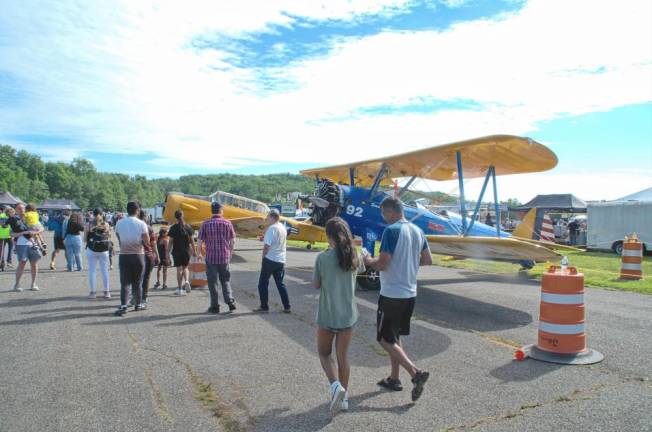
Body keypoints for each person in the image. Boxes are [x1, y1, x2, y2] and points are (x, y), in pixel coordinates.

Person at [363, 196, 432, 402]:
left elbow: (382, 264)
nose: (384, 218)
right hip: (410, 293)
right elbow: (428, 259)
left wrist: (368, 260)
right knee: (395, 337)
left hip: (392, 293)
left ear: (391, 211)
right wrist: (408, 262)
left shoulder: (391, 231)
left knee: (384, 338)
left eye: (384, 214)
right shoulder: (418, 231)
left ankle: (415, 373)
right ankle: (394, 378)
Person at [313, 217, 365, 414]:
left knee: (324, 353)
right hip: (348, 315)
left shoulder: (322, 258)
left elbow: (316, 285)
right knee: (343, 356)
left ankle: (335, 386)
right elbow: (360, 269)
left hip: (327, 314)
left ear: (329, 236)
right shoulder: (355, 256)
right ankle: (344, 398)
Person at [197, 202, 236, 314]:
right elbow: (232, 241)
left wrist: (199, 253)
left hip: (211, 258)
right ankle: (230, 301)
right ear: (221, 211)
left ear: (211, 211)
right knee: (225, 280)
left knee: (212, 282)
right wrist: (230, 252)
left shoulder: (205, 224)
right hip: (224, 257)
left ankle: (215, 306)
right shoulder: (228, 223)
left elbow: (199, 241)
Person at [114, 201, 150, 316]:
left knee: (124, 282)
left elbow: (119, 238)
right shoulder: (141, 223)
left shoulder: (119, 223)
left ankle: (124, 305)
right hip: (138, 255)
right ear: (137, 210)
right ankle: (138, 304)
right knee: (138, 281)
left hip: (124, 255)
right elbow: (147, 242)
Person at [254, 209, 291, 313]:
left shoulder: (272, 228)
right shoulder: (283, 228)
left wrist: (263, 257)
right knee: (280, 284)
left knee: (262, 283)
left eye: (268, 217)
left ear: (272, 218)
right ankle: (287, 306)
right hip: (280, 260)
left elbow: (267, 246)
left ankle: (264, 306)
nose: (266, 219)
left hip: (270, 259)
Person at [7, 203, 43, 291]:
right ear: (16, 210)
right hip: (21, 244)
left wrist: (35, 232)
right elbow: (11, 234)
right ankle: (17, 284)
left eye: (23, 208)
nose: (21, 210)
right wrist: (22, 233)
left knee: (34, 264)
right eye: (19, 208)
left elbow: (41, 228)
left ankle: (33, 284)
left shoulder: (31, 217)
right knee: (22, 264)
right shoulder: (14, 219)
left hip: (33, 244)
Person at [85, 208, 112, 299]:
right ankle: (107, 292)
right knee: (105, 271)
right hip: (104, 249)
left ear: (93, 214)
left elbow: (85, 239)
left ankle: (93, 293)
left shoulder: (88, 225)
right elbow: (109, 237)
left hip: (92, 249)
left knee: (92, 271)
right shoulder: (106, 224)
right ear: (102, 214)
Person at [168, 210, 196, 296]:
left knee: (179, 269)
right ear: (182, 215)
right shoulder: (188, 227)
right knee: (186, 268)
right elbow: (192, 241)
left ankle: (180, 289)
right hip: (186, 251)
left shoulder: (173, 228)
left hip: (176, 252)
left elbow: (170, 242)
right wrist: (194, 251)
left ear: (175, 217)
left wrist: (167, 253)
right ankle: (187, 281)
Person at [138, 210, 159, 306]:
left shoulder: (135, 227)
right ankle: (144, 297)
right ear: (146, 217)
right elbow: (153, 244)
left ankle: (135, 296)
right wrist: (157, 256)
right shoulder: (149, 228)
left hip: (136, 254)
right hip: (148, 255)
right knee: (146, 277)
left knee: (137, 277)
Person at [154, 226, 171, 290]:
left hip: (159, 256)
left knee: (158, 270)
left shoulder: (158, 239)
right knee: (164, 271)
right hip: (164, 257)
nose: (167, 233)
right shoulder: (165, 240)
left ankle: (158, 282)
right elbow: (167, 250)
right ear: (163, 233)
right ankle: (164, 284)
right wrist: (168, 258)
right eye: (166, 232)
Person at [0, 206, 13, 271]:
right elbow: (3, 224)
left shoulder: (9, 216)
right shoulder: (3, 216)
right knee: (3, 250)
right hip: (4, 235)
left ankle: (7, 262)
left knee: (7, 249)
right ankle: (4, 263)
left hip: (8, 235)